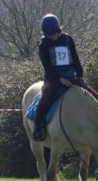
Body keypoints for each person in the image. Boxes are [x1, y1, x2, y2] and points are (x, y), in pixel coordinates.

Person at [33, 14, 86, 142]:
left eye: (55, 33)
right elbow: (48, 66)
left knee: (94, 95)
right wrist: (59, 79)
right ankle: (37, 126)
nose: (53, 36)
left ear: (59, 30)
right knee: (45, 98)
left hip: (71, 76)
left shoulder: (68, 39)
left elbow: (75, 58)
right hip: (53, 78)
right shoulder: (43, 44)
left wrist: (80, 76)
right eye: (50, 35)